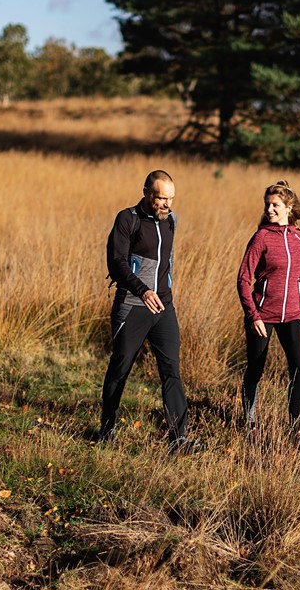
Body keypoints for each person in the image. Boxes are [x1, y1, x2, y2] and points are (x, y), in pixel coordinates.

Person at [97, 170, 199, 454]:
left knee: (171, 370)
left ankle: (178, 439)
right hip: (132, 306)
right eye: (161, 198)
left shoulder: (172, 221)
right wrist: (142, 290)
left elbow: (169, 261)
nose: (167, 204)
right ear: (146, 192)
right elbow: (115, 263)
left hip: (163, 307)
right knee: (121, 366)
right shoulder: (127, 219)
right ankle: (107, 429)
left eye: (171, 199)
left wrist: (164, 293)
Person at [236, 180, 300, 443]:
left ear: (288, 207)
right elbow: (243, 279)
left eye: (275, 205)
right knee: (255, 369)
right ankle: (250, 425)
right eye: (267, 204)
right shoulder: (261, 238)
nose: (270, 209)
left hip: (292, 316)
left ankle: (295, 429)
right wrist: (253, 315)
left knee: (299, 368)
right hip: (262, 317)